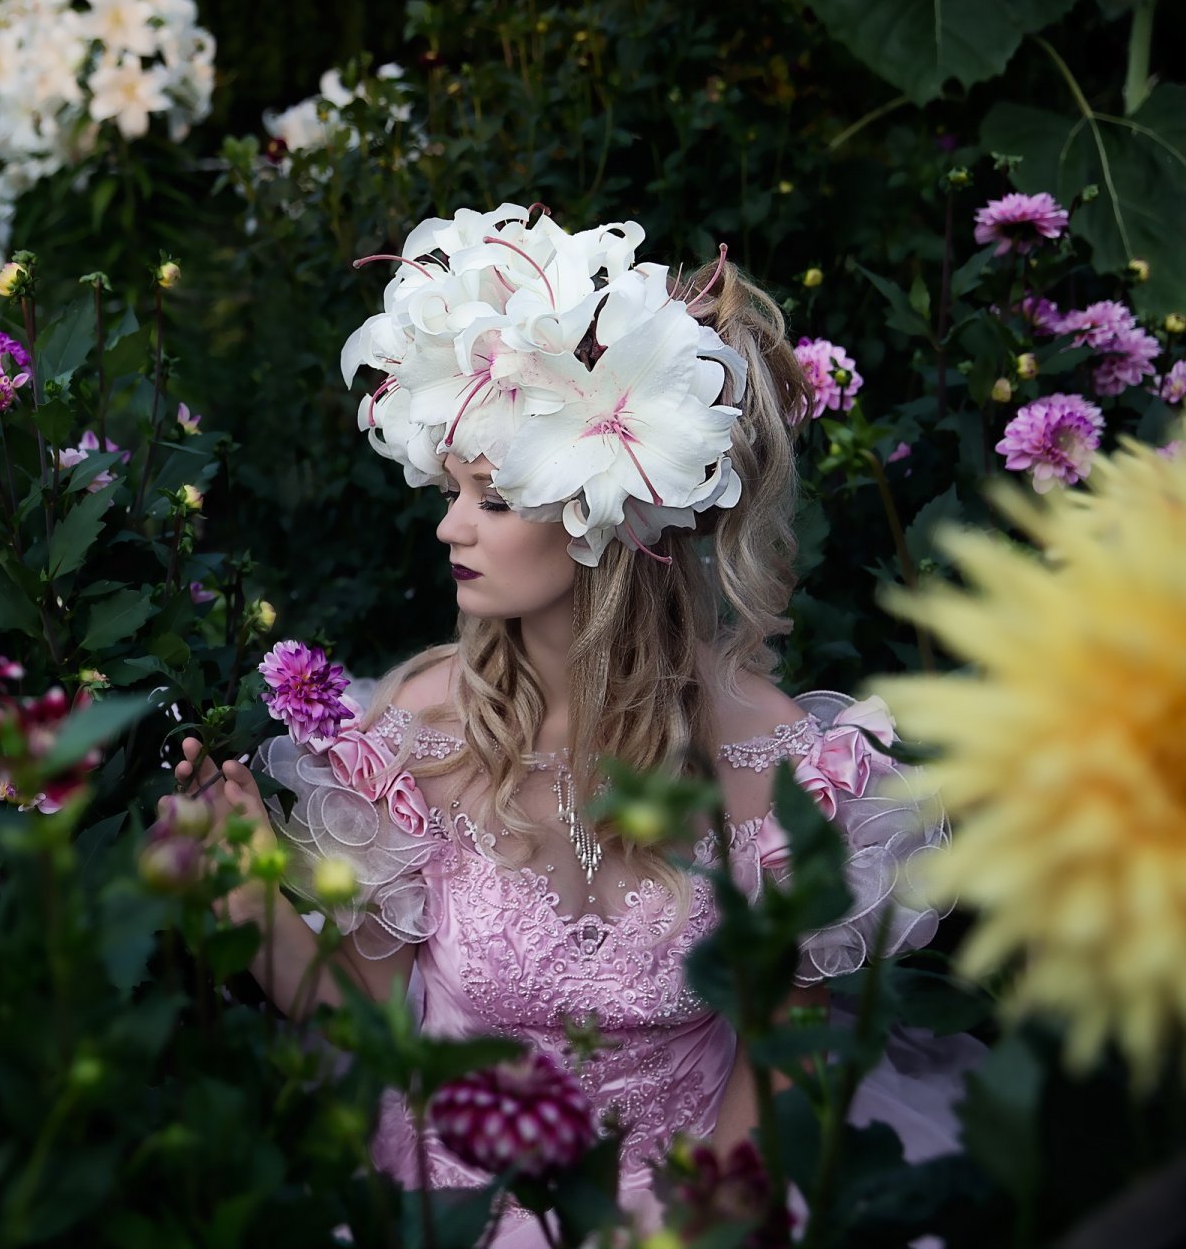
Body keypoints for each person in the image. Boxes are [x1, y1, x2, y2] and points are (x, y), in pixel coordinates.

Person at [168, 207, 975, 1243]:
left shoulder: (778, 767)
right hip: (448, 1206)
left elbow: (780, 1063)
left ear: (607, 513)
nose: (449, 524)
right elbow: (371, 1025)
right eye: (454, 488)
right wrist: (243, 891)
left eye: (493, 498)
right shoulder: (415, 736)